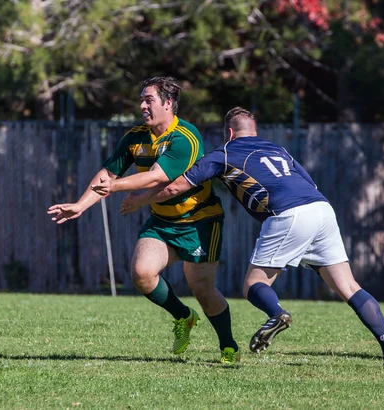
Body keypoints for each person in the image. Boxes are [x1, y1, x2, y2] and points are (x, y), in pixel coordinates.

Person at [116, 106, 384, 369]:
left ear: (229, 132)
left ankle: (276, 314)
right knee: (348, 286)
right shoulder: (279, 150)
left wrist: (139, 200)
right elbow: (308, 182)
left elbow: (176, 186)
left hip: (286, 214)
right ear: (254, 131)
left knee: (253, 285)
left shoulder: (225, 153)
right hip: (321, 209)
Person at [48, 77, 240, 364]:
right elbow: (107, 175)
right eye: (141, 99)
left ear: (169, 104)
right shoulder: (135, 137)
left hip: (200, 222)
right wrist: (81, 205)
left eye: (148, 99)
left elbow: (157, 177)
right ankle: (183, 317)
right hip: (162, 222)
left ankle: (228, 346)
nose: (142, 105)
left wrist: (116, 188)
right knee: (142, 273)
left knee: (202, 289)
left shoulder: (184, 137)